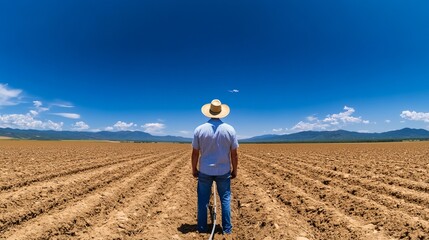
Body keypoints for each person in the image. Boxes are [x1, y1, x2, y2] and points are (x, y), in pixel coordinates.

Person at [191, 99, 239, 235]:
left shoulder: (199, 129)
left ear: (209, 112)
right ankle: (227, 229)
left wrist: (194, 169)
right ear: (221, 113)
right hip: (223, 171)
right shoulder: (230, 130)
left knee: (202, 200)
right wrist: (235, 170)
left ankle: (201, 228)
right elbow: (234, 154)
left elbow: (195, 153)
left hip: (205, 170)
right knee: (225, 199)